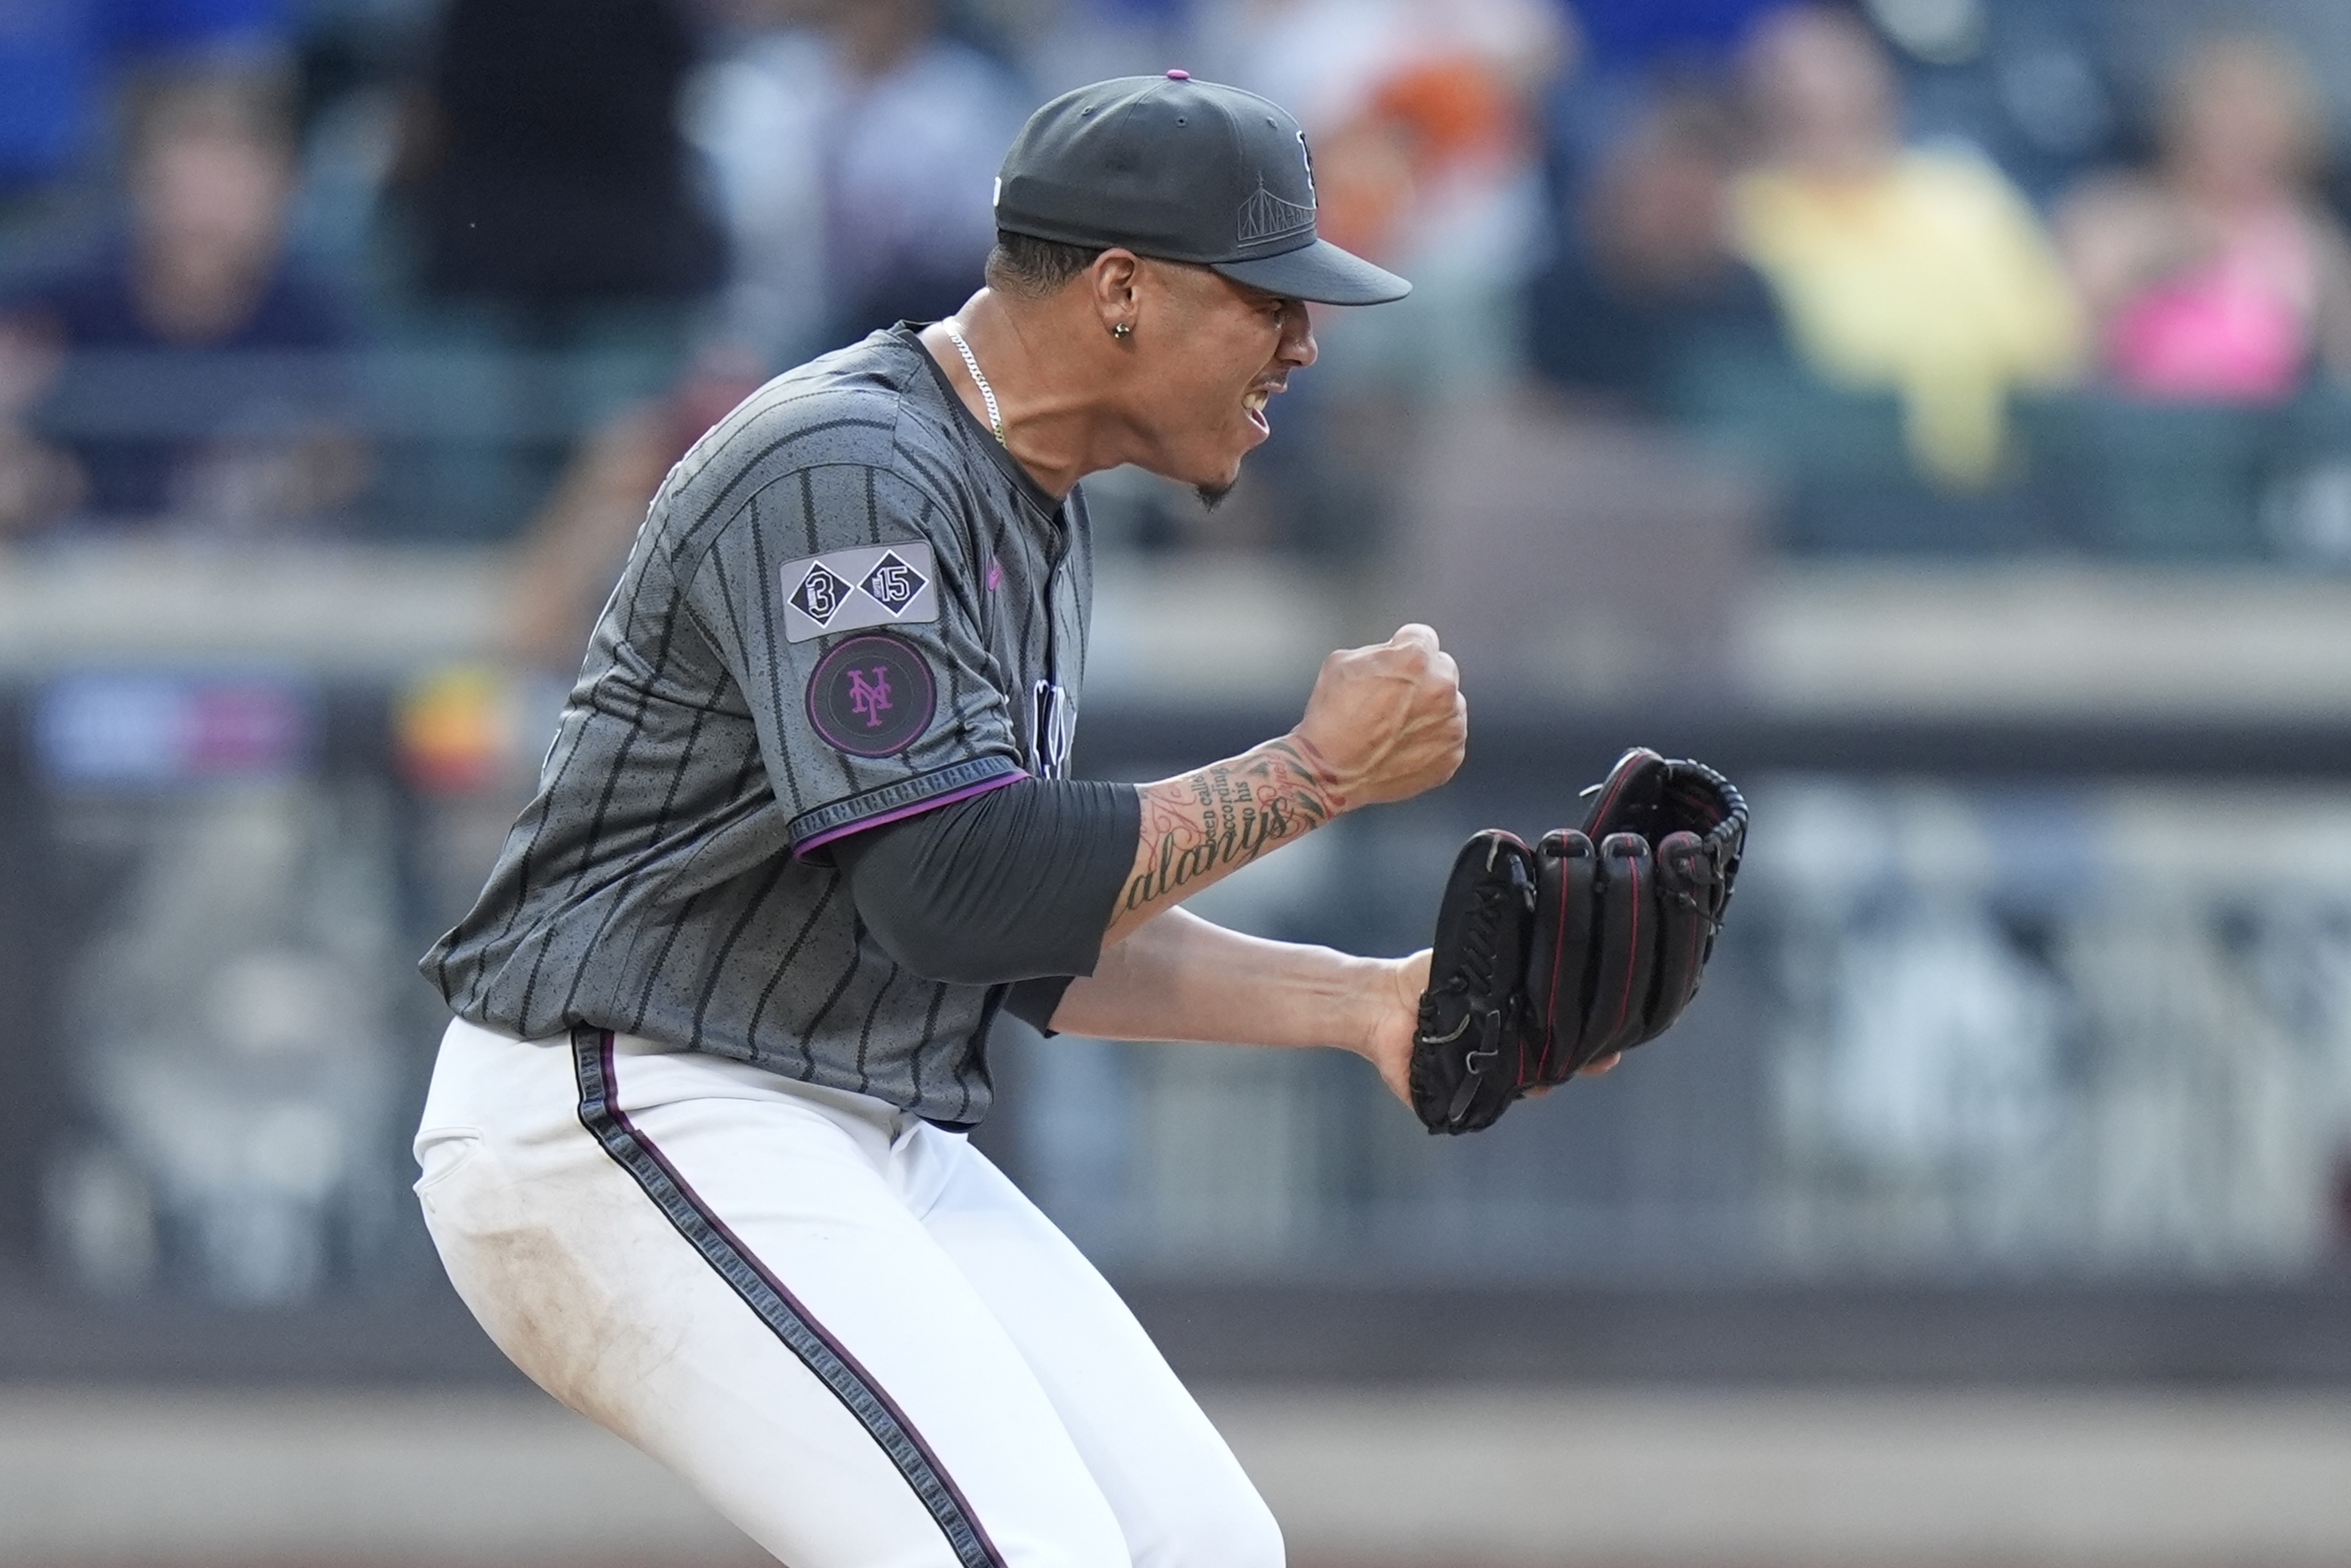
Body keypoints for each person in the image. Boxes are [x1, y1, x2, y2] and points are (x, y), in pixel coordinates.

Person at [413, 74, 1597, 1565]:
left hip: (848, 1118)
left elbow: (1019, 928)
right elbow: (952, 889)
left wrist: (1369, 1006)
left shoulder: (1030, 494)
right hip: (626, 1100)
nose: (1304, 342)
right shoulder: (849, 467)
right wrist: (1314, 774)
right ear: (1120, 291)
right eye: (1268, 299)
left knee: (1205, 1551)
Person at [1729, 5, 2079, 487]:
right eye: (1802, 107)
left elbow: (2044, 346)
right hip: (1828, 480)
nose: (1825, 108)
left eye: (1843, 95)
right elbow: (1827, 359)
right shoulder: (1745, 215)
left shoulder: (1964, 194)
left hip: (1997, 484)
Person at [0, 78, 363, 534]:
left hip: (248, 571)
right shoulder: (59, 293)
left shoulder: (312, 310)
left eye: (230, 190)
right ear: (142, 187)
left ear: (281, 192)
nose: (205, 216)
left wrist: (280, 482)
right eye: (189, 188)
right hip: (73, 567)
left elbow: (344, 455)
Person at [2056, 33, 2351, 403]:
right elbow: (2062, 353)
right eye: (2222, 115)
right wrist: (2164, 260)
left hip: (2267, 445)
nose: (2236, 136)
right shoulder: (2112, 216)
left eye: (2254, 120)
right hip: (2134, 433)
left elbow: (2342, 372)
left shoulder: (2310, 238)